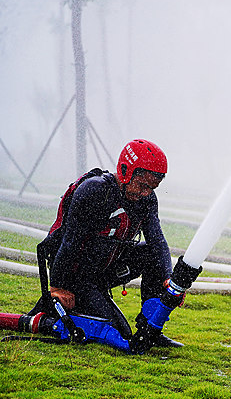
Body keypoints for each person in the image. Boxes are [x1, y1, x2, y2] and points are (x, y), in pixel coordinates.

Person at [29, 139, 183, 347]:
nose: (146, 193)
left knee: (149, 253)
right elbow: (69, 242)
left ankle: (150, 329)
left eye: (152, 187)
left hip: (106, 271)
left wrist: (168, 278)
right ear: (126, 171)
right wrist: (59, 287)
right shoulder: (95, 190)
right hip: (78, 276)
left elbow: (157, 241)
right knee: (118, 332)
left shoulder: (147, 199)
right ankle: (50, 316)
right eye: (142, 185)